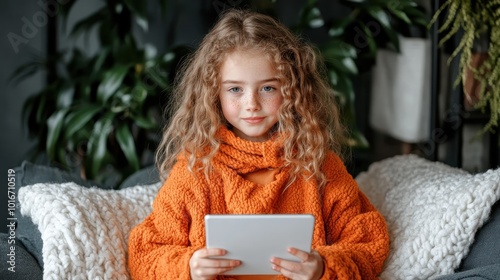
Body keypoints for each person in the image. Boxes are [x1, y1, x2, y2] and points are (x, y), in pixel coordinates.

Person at [128, 9, 389, 280]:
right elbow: (145, 253)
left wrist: (324, 267)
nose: (251, 104)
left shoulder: (318, 165)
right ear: (213, 94)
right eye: (235, 89)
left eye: (268, 88)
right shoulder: (195, 169)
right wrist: (188, 267)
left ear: (292, 90)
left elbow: (368, 244)